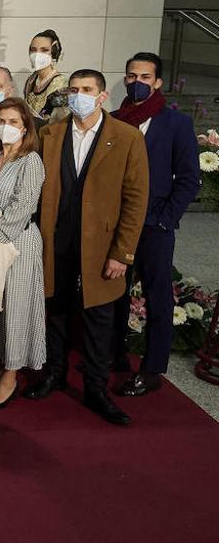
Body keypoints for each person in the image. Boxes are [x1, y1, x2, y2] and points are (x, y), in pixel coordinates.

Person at [26, 70, 148, 426]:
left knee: (98, 318)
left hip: (102, 245)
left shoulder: (125, 138)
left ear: (102, 96)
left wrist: (122, 253)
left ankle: (96, 388)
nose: (79, 95)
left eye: (87, 90)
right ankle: (54, 373)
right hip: (56, 238)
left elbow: (136, 200)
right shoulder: (50, 134)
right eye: (74, 90)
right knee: (56, 310)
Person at [112, 53, 200, 396]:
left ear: (158, 82)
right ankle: (114, 354)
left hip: (154, 225)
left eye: (145, 77)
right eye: (132, 76)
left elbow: (190, 179)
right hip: (118, 224)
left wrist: (165, 219)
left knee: (157, 294)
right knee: (114, 292)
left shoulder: (176, 124)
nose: (137, 82)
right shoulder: (116, 119)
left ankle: (152, 368)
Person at [0, 98, 47, 408]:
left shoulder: (30, 160)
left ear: (26, 127)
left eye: (13, 122)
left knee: (15, 308)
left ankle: (12, 374)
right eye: (0, 121)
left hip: (17, 244)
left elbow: (24, 205)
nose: (6, 127)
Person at [23, 29, 70, 123]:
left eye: (44, 50)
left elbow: (60, 120)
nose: (37, 54)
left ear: (54, 52)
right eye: (33, 50)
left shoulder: (62, 82)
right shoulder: (31, 80)